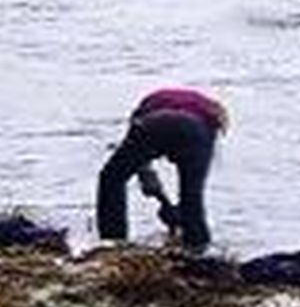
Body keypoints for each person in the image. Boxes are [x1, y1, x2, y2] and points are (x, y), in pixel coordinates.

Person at [97, 87, 228, 252]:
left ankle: (113, 243)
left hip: (153, 123)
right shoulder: (210, 118)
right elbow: (191, 183)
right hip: (194, 131)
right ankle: (197, 251)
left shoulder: (151, 102)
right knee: (192, 197)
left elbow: (141, 161)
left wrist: (156, 191)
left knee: (112, 179)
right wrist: (178, 210)